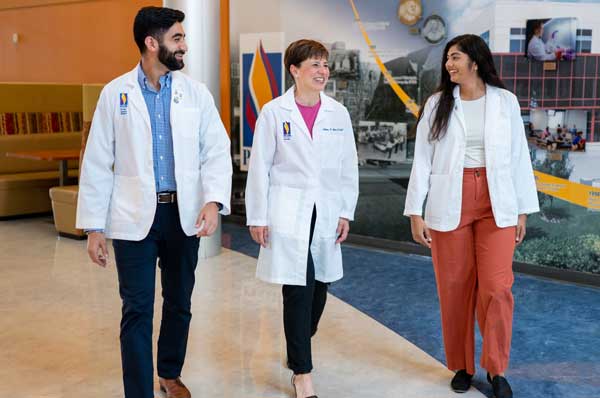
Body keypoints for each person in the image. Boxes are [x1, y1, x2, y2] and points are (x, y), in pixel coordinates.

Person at [76, 6, 232, 398]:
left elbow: (215, 150)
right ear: (152, 42)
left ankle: (168, 372)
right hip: (133, 217)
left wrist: (213, 201)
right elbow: (97, 162)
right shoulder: (116, 94)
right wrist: (94, 227)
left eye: (183, 38)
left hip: (184, 214)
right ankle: (138, 392)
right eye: (177, 39)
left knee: (179, 302)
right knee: (137, 309)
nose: (184, 47)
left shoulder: (195, 94)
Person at [404, 34, 539, 398]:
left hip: (498, 202)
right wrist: (415, 211)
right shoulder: (437, 104)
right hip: (451, 199)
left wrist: (523, 209)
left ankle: (497, 369)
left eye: (456, 57)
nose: (449, 65)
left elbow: (518, 156)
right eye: (447, 59)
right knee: (455, 288)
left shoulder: (504, 102)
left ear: (475, 61)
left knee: (497, 288)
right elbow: (422, 160)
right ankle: (462, 365)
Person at [245, 39, 359, 398]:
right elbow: (260, 167)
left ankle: (300, 341)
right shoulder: (274, 112)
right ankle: (302, 372)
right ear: (294, 70)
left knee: (319, 289)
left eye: (324, 64)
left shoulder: (337, 113)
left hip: (325, 210)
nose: (322, 71)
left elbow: (347, 167)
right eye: (314, 64)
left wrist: (345, 211)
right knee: (298, 287)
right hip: (288, 212)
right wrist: (257, 217)